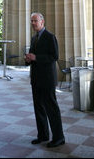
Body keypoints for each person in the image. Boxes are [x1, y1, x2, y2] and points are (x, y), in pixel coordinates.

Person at [25, 12, 65, 148]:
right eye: (31, 21)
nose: (33, 23)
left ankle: (59, 138)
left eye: (35, 21)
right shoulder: (33, 38)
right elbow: (33, 56)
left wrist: (36, 57)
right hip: (36, 79)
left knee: (51, 109)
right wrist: (28, 59)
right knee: (38, 108)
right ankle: (42, 135)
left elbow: (54, 56)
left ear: (42, 21)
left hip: (47, 79)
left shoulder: (50, 37)